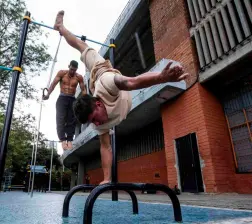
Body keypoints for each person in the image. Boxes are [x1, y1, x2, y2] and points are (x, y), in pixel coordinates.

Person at [53, 10, 189, 184]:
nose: (97, 123)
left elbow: (132, 82)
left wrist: (162, 78)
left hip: (100, 70)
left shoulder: (108, 83)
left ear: (99, 105)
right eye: (93, 122)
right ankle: (60, 28)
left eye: (95, 118)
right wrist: (106, 179)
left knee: (81, 45)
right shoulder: (98, 123)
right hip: (98, 86)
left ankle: (61, 27)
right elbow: (105, 146)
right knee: (104, 141)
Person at [43, 60, 86, 150]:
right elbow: (53, 84)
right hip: (62, 98)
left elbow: (83, 90)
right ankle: (62, 140)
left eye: (74, 70)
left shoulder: (79, 77)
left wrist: (86, 100)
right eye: (71, 69)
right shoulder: (62, 73)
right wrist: (48, 95)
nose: (72, 71)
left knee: (72, 120)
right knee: (60, 119)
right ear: (68, 66)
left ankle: (69, 140)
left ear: (76, 69)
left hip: (72, 99)